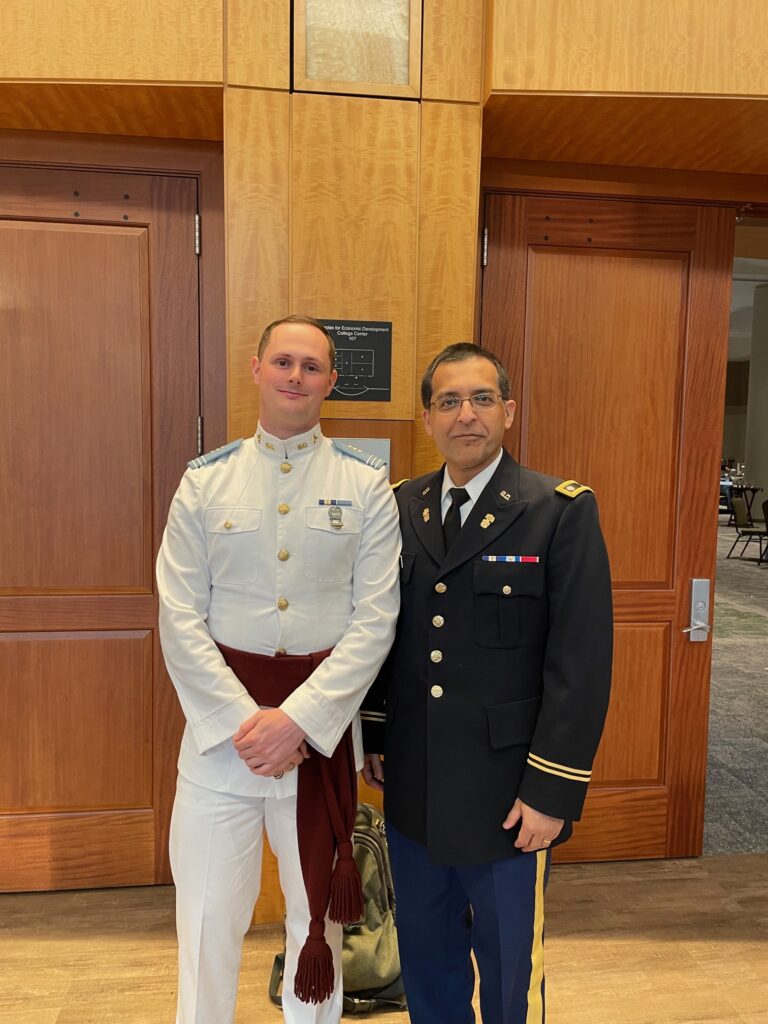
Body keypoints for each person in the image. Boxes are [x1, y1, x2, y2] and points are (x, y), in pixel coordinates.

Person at [157, 315, 401, 1024]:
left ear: (331, 380)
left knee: (316, 927)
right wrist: (249, 726)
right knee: (205, 926)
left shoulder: (364, 485)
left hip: (317, 744)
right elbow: (179, 614)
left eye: (312, 365)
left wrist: (297, 722)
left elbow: (375, 617)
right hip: (221, 748)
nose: (297, 376)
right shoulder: (206, 482)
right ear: (257, 367)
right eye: (284, 361)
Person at [361, 342, 613, 1024]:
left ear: (506, 410)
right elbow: (385, 634)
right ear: (427, 418)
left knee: (508, 973)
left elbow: (580, 664)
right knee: (427, 957)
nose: (464, 415)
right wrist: (377, 732)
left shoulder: (558, 510)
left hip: (512, 798)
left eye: (479, 400)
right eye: (448, 401)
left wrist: (553, 791)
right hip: (415, 790)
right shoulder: (399, 507)